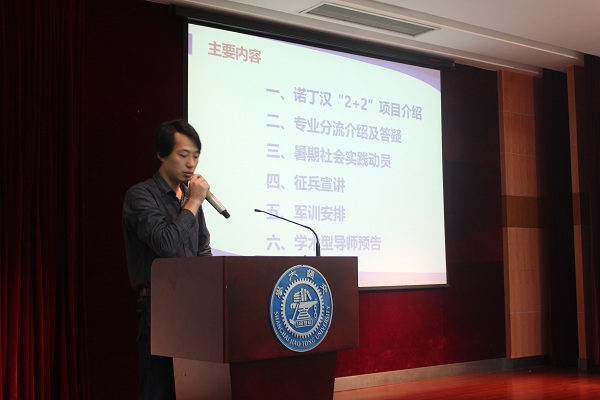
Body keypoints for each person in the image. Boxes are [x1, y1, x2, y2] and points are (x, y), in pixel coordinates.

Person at [122, 119, 212, 400]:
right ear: (161, 154)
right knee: (158, 389)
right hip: (158, 307)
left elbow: (203, 248)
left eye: (196, 156)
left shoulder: (188, 198)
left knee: (193, 388)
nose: (191, 164)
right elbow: (166, 244)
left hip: (192, 306)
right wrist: (194, 202)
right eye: (183, 155)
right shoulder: (141, 195)